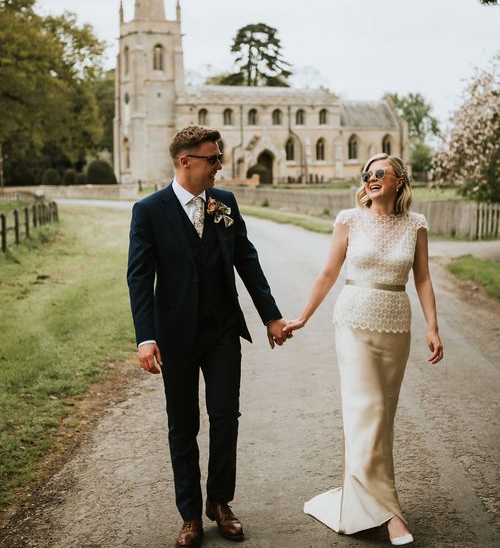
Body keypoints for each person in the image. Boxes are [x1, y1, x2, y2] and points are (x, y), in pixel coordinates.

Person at [127, 125, 289, 548]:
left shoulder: (225, 203)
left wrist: (271, 317)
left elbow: (247, 262)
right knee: (182, 426)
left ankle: (220, 503)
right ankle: (189, 516)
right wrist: (146, 338)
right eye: (212, 159)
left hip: (221, 332)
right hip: (175, 336)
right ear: (186, 162)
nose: (220, 165)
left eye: (219, 158)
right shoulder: (149, 211)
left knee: (224, 417)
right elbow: (140, 280)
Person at [283, 153, 443, 545]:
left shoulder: (416, 225)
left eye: (380, 173)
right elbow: (328, 273)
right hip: (353, 321)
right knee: (366, 412)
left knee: (381, 419)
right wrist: (303, 317)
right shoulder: (349, 220)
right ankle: (391, 513)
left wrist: (433, 328)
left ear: (399, 181)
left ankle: (363, 501)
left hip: (396, 324)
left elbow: (422, 279)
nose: (371, 178)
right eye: (367, 173)